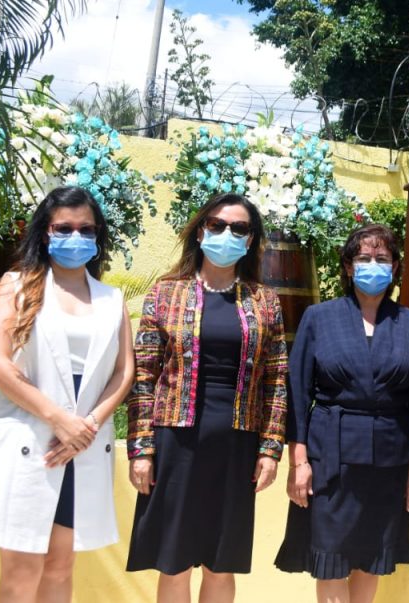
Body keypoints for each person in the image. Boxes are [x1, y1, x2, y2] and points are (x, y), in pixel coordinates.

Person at [0, 186, 135, 602]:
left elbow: (124, 371)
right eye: (64, 228)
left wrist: (87, 426)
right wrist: (60, 420)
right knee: (22, 571)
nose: (76, 237)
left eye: (86, 229)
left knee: (60, 567)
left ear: (98, 235)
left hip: (82, 445)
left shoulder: (111, 299)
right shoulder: (15, 287)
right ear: (45, 232)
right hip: (31, 438)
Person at [125, 193, 288, 602]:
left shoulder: (264, 300)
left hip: (237, 444)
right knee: (174, 561)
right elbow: (143, 374)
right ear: (200, 232)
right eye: (216, 225)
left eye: (239, 228)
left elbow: (276, 379)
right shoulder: (166, 293)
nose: (226, 234)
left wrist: (270, 449)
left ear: (250, 240)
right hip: (174, 442)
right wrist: (141, 449)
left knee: (221, 562)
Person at [275, 223, 409, 603]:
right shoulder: (319, 317)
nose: (373, 265)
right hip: (330, 458)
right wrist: (298, 463)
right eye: (364, 258)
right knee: (330, 557)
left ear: (395, 267)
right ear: (349, 267)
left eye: (382, 258)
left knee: (372, 557)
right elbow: (297, 395)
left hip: (389, 461)